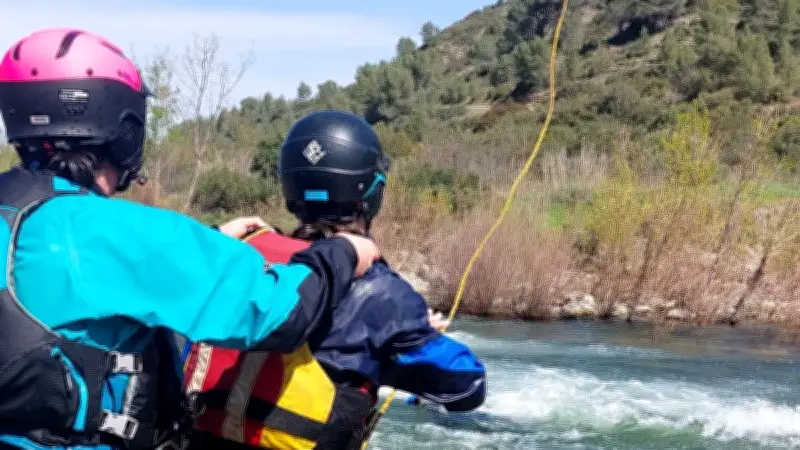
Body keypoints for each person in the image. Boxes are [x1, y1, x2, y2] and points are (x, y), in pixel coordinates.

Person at [0, 29, 381, 450]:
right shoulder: (126, 231)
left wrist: (210, 241)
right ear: (124, 127)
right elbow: (278, 314)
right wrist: (343, 252)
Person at [183, 110, 487, 450]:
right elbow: (468, 387)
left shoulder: (241, 252)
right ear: (373, 194)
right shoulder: (383, 292)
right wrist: (402, 342)